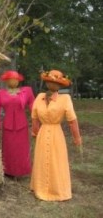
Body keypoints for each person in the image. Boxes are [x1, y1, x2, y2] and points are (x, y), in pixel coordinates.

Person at [30, 69, 83, 201]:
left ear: (60, 85)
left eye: (55, 83)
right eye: (49, 82)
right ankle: (40, 187)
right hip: (43, 134)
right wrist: (35, 132)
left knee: (57, 161)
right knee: (42, 160)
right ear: (46, 83)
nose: (52, 85)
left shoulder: (65, 99)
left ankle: (58, 190)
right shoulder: (39, 97)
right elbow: (35, 118)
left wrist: (77, 138)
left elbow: (72, 120)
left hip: (56, 134)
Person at [0, 70, 35, 177]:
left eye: (16, 80)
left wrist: (36, 118)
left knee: (21, 150)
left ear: (18, 81)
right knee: (9, 149)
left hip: (22, 126)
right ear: (6, 81)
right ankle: (8, 171)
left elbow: (33, 106)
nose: (13, 82)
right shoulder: (1, 93)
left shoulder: (26, 91)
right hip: (7, 126)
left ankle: (22, 170)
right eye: (11, 80)